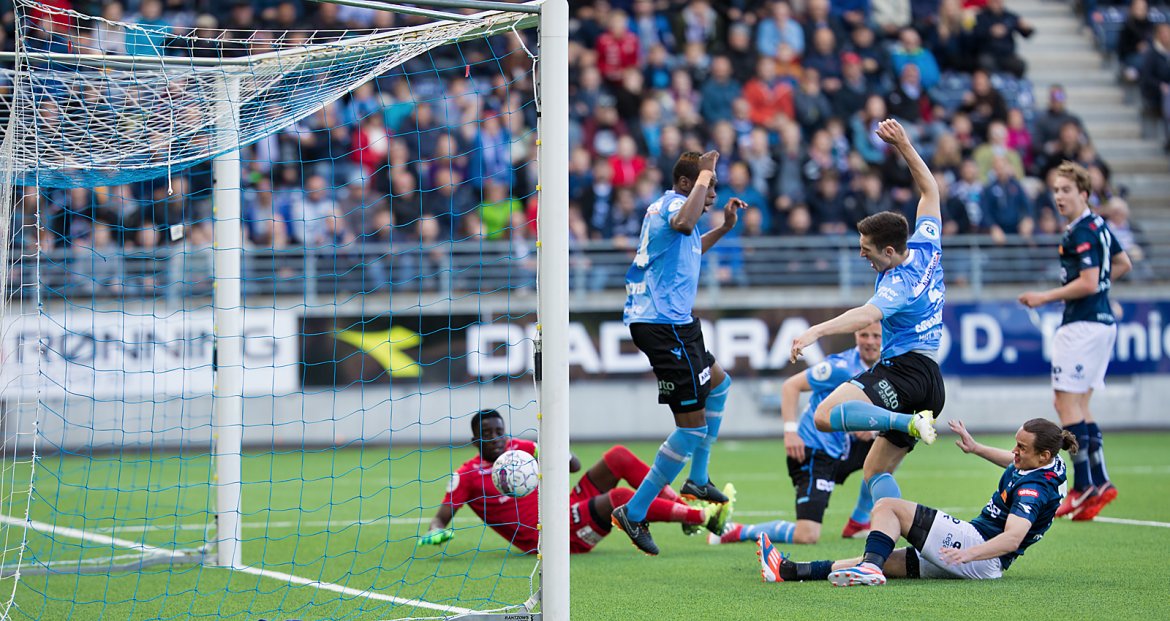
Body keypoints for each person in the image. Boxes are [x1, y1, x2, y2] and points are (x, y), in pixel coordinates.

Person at [789, 119, 945, 508]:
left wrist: (814, 333)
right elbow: (930, 189)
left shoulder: (898, 284)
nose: (862, 254)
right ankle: (885, 541)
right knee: (876, 473)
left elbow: (865, 315)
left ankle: (905, 422)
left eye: (867, 249)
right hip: (931, 383)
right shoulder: (927, 244)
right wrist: (904, 143)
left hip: (904, 372)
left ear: (889, 252)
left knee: (825, 415)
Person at [612, 150, 747, 555]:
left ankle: (698, 478)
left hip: (678, 324)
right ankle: (634, 512)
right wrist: (705, 171)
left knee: (721, 384)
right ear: (686, 183)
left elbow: (690, 245)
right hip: (662, 326)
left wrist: (723, 228)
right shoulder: (674, 205)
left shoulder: (679, 220)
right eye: (707, 185)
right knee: (690, 428)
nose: (711, 194)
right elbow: (685, 219)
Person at [759, 418, 1076, 585]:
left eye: (1022, 447)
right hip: (980, 556)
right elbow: (1014, 461)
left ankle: (870, 568)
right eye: (1016, 444)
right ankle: (788, 571)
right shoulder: (1048, 463)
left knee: (888, 507)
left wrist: (969, 553)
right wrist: (977, 448)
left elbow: (1012, 538)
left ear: (1043, 455)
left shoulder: (1034, 489)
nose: (1015, 451)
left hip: (978, 549)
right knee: (887, 558)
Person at [420, 409, 731, 555]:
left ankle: (682, 507)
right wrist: (434, 532)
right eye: (487, 434)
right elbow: (441, 517)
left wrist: (551, 449)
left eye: (499, 430)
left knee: (619, 456)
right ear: (475, 439)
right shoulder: (467, 475)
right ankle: (703, 517)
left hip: (565, 511)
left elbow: (574, 466)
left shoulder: (519, 448)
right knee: (620, 496)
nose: (496, 438)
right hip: (548, 539)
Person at [1018, 161, 1132, 521]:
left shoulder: (1080, 231)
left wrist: (1043, 297)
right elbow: (1123, 262)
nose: (1059, 197)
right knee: (1080, 405)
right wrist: (1101, 288)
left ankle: (1082, 488)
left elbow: (1086, 281)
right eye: (1055, 190)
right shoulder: (1100, 224)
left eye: (1066, 190)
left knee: (1065, 405)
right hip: (1102, 323)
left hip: (1081, 325)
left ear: (1084, 194)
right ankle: (1099, 482)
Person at [712, 323, 883, 547]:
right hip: (814, 451)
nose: (870, 341)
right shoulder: (839, 367)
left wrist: (872, 429)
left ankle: (858, 522)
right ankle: (738, 531)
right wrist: (790, 432)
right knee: (807, 535)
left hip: (844, 447)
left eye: (876, 336)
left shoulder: (885, 369)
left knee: (895, 442)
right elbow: (790, 386)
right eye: (864, 335)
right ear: (855, 335)